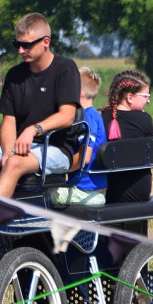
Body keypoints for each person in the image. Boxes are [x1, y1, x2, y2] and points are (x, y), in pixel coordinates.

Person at [0, 13, 81, 224]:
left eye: (26, 45)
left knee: (14, 164)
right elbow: (8, 121)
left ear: (46, 42)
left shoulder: (65, 68)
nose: (20, 50)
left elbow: (67, 116)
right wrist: (7, 150)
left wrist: (32, 130)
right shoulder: (14, 75)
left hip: (55, 147)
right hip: (18, 147)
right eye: (17, 44)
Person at [50, 66, 107, 206]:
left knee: (41, 196)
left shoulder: (87, 117)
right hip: (90, 190)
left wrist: (59, 169)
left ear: (78, 93)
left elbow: (85, 158)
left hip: (85, 192)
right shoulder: (92, 115)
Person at [101, 69, 153, 202]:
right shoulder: (145, 119)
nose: (148, 101)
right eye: (146, 96)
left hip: (110, 193)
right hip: (140, 193)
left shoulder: (101, 117)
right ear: (130, 97)